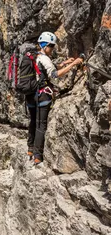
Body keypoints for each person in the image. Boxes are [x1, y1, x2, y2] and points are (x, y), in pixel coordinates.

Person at [26, 31, 83, 165]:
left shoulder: (36, 56)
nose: (52, 49)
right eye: (51, 46)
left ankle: (30, 149)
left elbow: (44, 69)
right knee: (41, 125)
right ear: (45, 45)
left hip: (31, 95)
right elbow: (55, 75)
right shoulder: (44, 58)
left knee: (33, 121)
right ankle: (38, 156)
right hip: (42, 95)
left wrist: (64, 63)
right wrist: (73, 64)